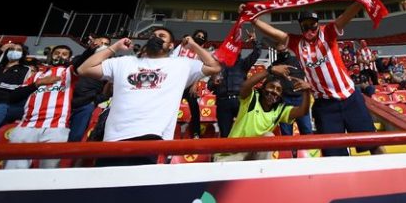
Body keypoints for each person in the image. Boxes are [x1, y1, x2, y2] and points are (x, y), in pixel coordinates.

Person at [246, 0, 382, 157]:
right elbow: (275, 34)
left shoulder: (329, 33)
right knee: (333, 155)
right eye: (305, 27)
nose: (309, 30)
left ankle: (392, 181)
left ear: (318, 24)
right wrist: (253, 20)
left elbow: (344, 17)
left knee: (373, 144)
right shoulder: (296, 43)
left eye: (313, 26)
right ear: (301, 28)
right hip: (325, 106)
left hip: (350, 98)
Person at [78, 27, 222, 166]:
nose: (156, 38)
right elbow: (83, 69)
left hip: (150, 136)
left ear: (171, 45)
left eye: (162, 36)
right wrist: (114, 47)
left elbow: (214, 66)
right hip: (114, 137)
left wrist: (193, 45)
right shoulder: (123, 62)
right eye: (153, 35)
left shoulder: (182, 64)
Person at [214, 65, 311, 162]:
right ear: (263, 87)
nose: (274, 91)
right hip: (232, 154)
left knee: (269, 136)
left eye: (278, 90)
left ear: (281, 95)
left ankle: (261, 172)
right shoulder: (252, 98)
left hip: (254, 156)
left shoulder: (280, 110)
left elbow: (302, 111)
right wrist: (269, 70)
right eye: (271, 87)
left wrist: (306, 91)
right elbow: (244, 86)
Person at [4, 45, 77, 169]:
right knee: (13, 169)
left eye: (64, 54)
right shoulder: (37, 75)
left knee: (49, 171)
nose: (60, 56)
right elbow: (14, 97)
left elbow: (82, 63)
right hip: (26, 126)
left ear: (70, 58)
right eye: (57, 53)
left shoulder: (69, 72)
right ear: (51, 55)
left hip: (56, 127)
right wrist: (37, 84)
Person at [208, 31, 262, 138]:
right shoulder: (218, 66)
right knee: (225, 134)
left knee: (245, 131)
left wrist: (255, 41)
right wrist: (213, 83)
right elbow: (209, 86)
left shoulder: (243, 64)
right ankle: (225, 154)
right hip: (223, 103)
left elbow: (257, 53)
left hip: (240, 101)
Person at [68, 36, 112, 142]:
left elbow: (109, 88)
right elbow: (75, 69)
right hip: (67, 101)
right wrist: (90, 50)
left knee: (76, 137)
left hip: (86, 105)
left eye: (106, 44)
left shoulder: (110, 64)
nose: (102, 45)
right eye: (100, 43)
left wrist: (95, 101)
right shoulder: (80, 59)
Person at [272, 43, 313, 137]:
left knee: (306, 130)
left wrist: (309, 86)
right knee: (286, 133)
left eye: (283, 48)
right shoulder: (275, 65)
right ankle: (289, 152)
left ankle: (310, 151)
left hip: (300, 99)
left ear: (287, 46)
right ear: (276, 50)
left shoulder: (299, 61)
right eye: (279, 50)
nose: (281, 50)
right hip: (284, 100)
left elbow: (311, 74)